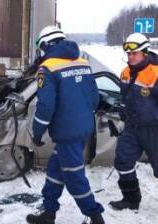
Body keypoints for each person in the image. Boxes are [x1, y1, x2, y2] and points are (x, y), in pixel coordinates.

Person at [26, 26, 104, 224]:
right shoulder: (82, 62)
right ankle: (49, 213)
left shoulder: (48, 67)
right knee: (55, 170)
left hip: (67, 133)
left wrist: (37, 132)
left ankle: (95, 216)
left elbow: (45, 106)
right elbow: (94, 98)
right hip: (83, 128)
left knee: (74, 177)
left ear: (46, 44)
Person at [109, 33, 158, 215]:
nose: (130, 57)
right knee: (123, 162)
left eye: (134, 53)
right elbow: (126, 100)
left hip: (156, 130)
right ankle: (131, 200)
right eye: (128, 54)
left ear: (144, 52)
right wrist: (123, 118)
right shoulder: (125, 73)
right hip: (133, 129)